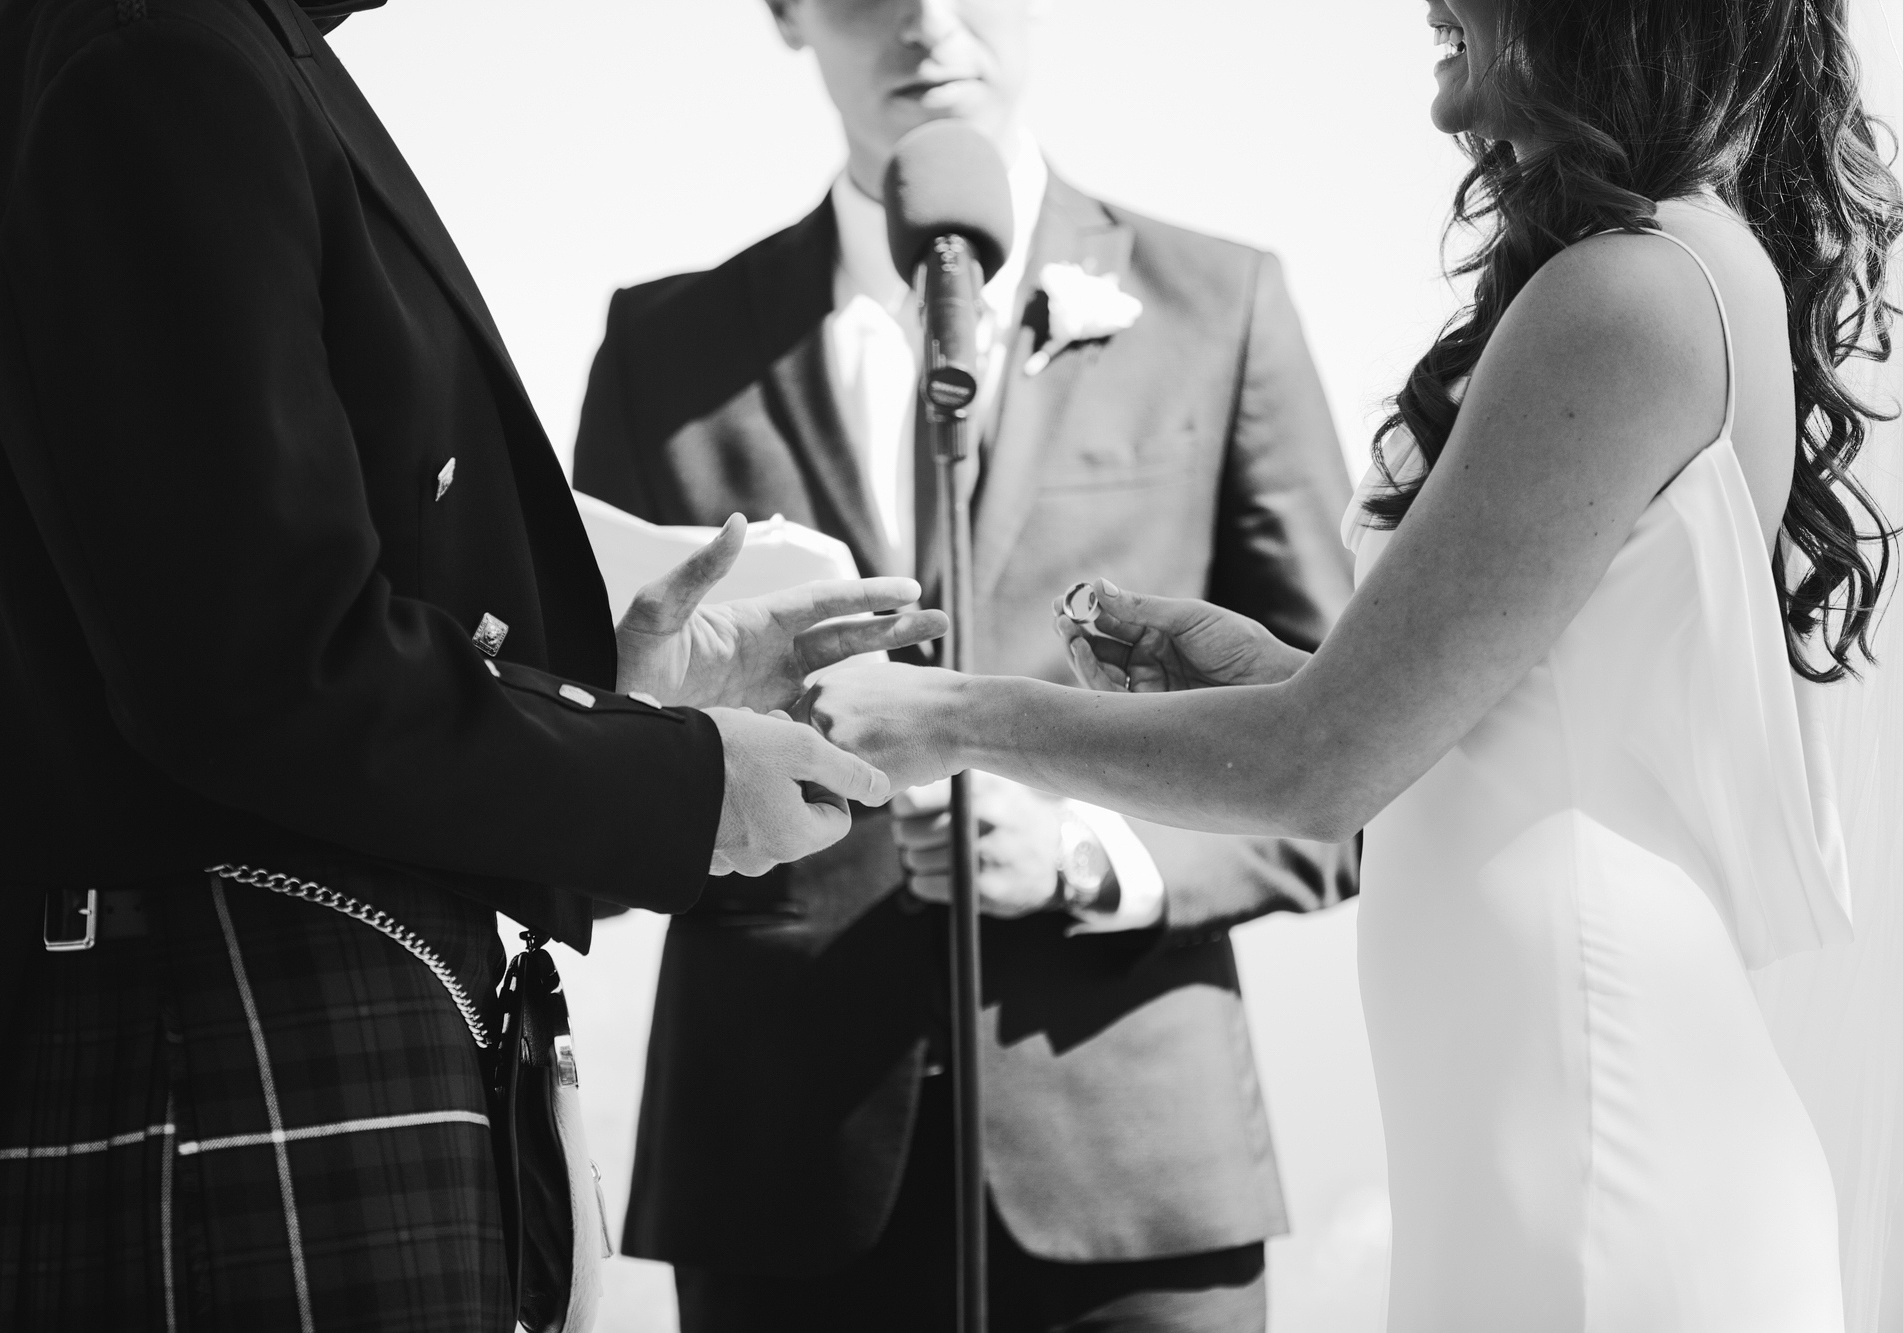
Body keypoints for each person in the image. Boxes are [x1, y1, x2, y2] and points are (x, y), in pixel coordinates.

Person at [806, 0, 1903, 1329]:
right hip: (1539, 1094)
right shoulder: (1681, 261)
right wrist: (1266, 664)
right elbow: (1509, 705)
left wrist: (957, 713)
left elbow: (1323, 769)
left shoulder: (1628, 289)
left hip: (1593, 1111)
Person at [0, 0, 948, 1327]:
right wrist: (680, 785)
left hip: (193, 1051)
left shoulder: (121, 41)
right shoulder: (151, 47)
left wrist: (611, 683)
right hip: (225, 1055)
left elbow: (200, 607)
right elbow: (264, 670)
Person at [571, 2, 1357, 1329]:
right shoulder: (664, 351)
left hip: (1133, 1180)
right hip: (776, 1179)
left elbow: (1350, 757)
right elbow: (581, 742)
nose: (929, 20)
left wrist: (1090, 853)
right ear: (785, 12)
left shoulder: (1221, 307)